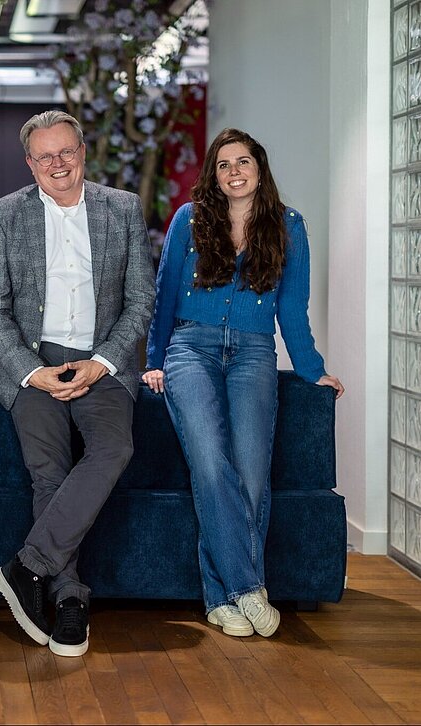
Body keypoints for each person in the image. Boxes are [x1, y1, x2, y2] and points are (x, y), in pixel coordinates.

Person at [143, 128, 344, 638]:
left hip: (254, 353)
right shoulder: (189, 219)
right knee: (211, 463)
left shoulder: (289, 226)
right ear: (214, 174)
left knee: (253, 475)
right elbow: (164, 296)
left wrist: (313, 369)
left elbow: (292, 309)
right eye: (224, 164)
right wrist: (154, 359)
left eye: (244, 162)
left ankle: (222, 596)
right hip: (190, 348)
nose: (234, 172)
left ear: (259, 168)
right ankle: (246, 588)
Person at [0, 110, 154, 657]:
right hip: (33, 362)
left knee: (114, 448)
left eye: (66, 151)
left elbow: (140, 300)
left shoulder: (122, 208)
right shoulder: (6, 214)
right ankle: (71, 597)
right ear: (30, 164)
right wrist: (32, 372)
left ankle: (28, 566)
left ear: (82, 152)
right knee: (48, 470)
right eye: (45, 156)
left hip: (103, 361)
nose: (57, 163)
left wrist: (103, 362)